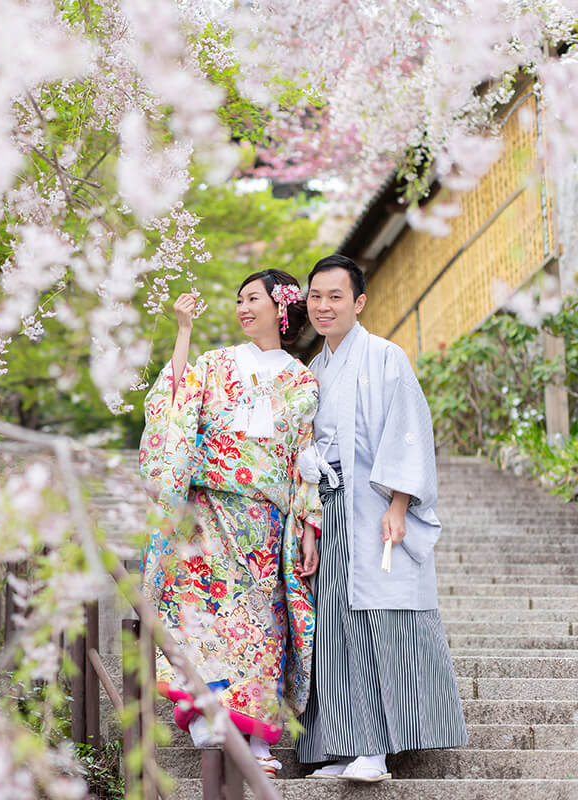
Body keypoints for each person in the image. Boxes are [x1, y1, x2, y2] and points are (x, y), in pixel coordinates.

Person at [139, 269, 321, 777]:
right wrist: (183, 331)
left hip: (263, 518)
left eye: (253, 299)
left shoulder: (303, 379)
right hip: (206, 510)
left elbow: (302, 455)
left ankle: (254, 733)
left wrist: (308, 521)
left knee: (262, 624)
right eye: (239, 300)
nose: (243, 308)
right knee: (206, 616)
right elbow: (173, 403)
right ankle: (208, 719)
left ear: (281, 309)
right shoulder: (217, 362)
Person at [294, 254, 467, 782]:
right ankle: (346, 745)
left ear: (359, 302)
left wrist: (398, 505)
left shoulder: (386, 358)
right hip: (328, 508)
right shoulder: (313, 371)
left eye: (335, 297)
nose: (323, 307)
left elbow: (407, 431)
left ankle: (377, 748)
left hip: (372, 506)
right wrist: (306, 523)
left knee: (376, 622)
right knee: (337, 626)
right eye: (315, 297)